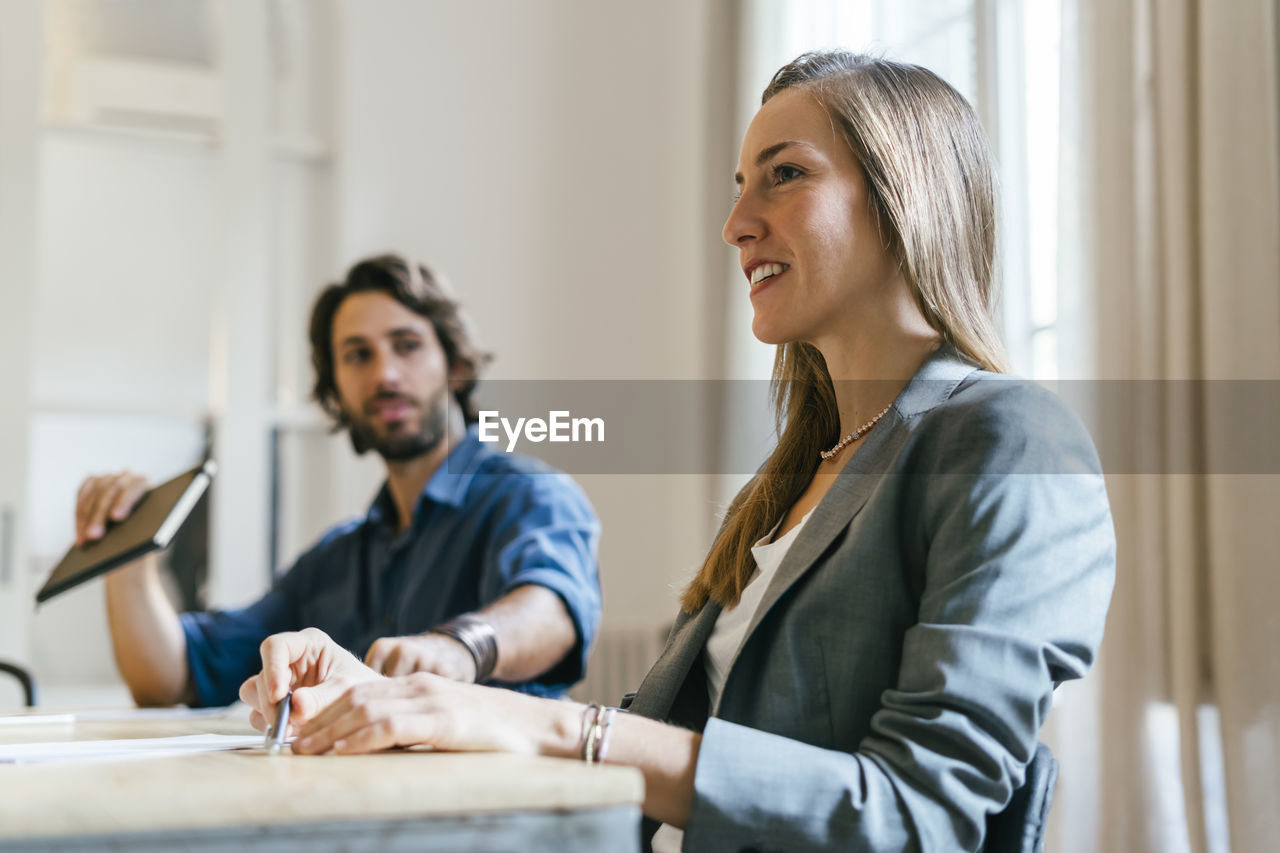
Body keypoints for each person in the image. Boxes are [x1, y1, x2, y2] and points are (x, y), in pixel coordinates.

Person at [239, 52, 1115, 852]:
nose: (736, 222)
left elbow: (914, 814)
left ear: (904, 196)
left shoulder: (1008, 436)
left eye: (784, 176)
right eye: (741, 185)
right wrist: (405, 705)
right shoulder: (786, 484)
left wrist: (539, 722)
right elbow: (656, 739)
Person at [75, 254, 602, 708]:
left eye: (407, 345)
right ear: (336, 390)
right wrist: (128, 559)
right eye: (357, 355)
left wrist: (457, 648)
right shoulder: (335, 561)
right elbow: (172, 677)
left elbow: (552, 610)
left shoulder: (532, 496)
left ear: (456, 366)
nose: (385, 375)